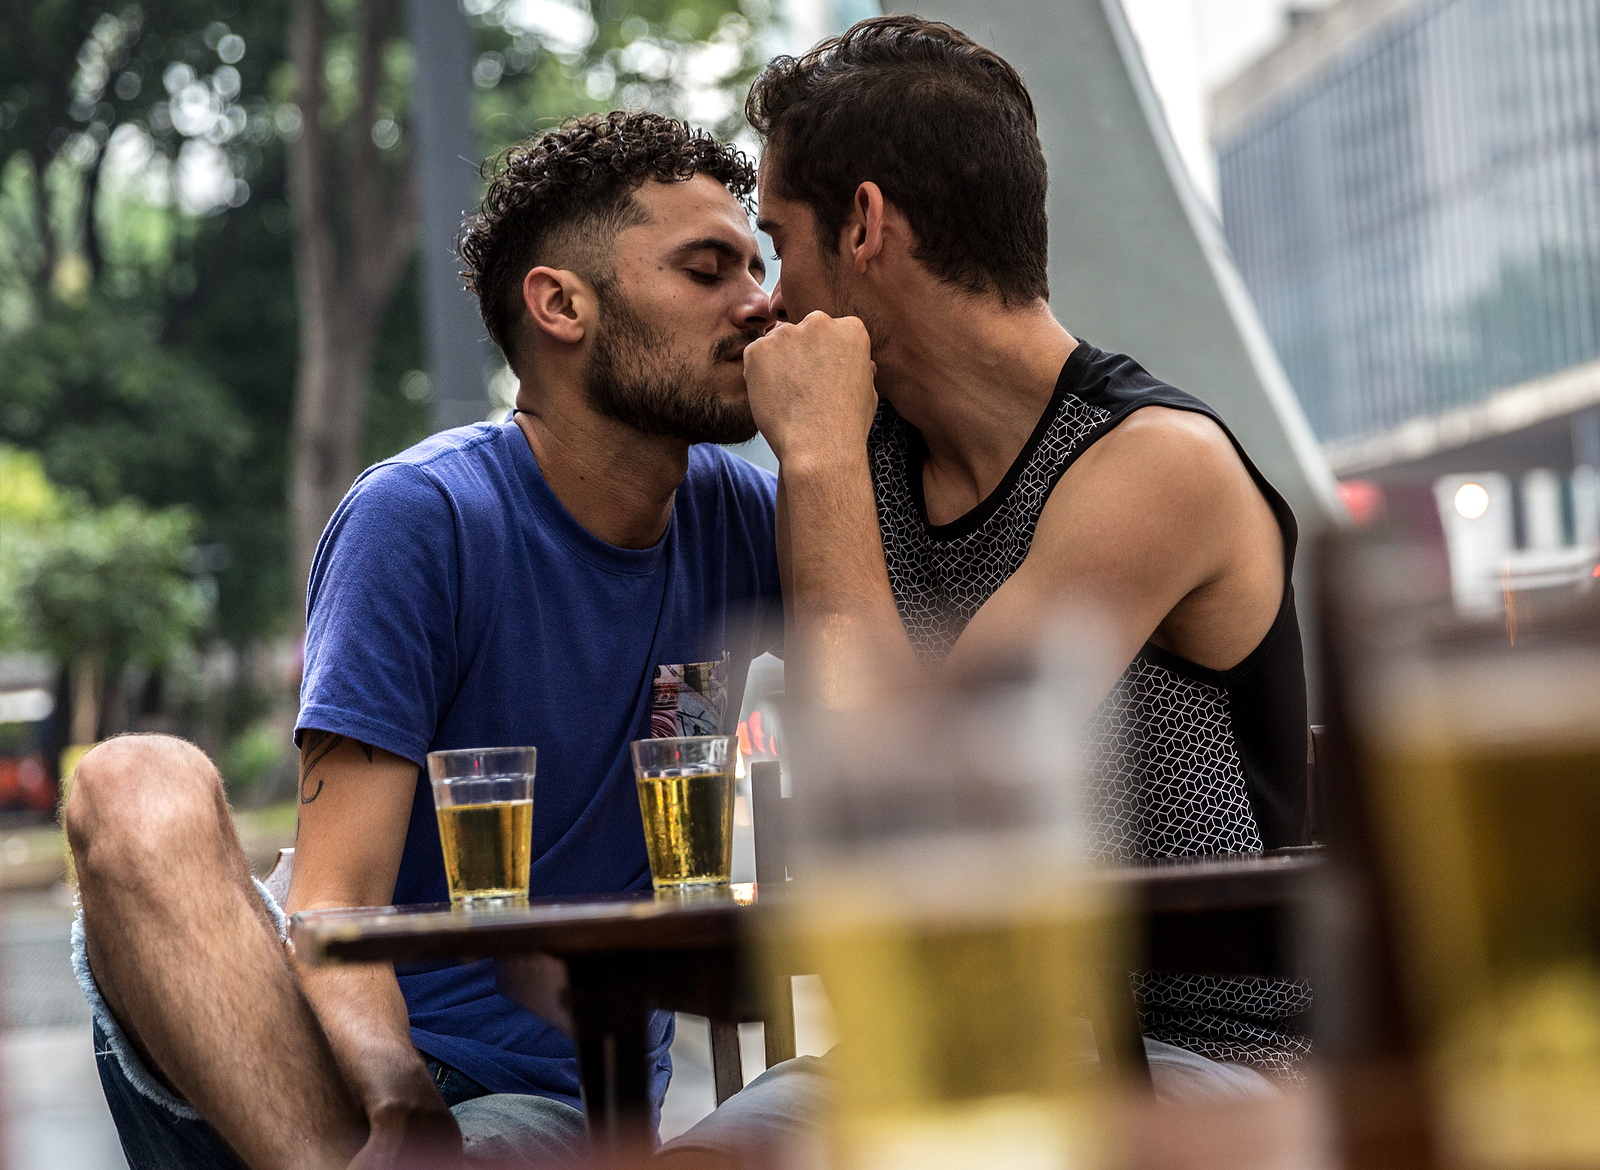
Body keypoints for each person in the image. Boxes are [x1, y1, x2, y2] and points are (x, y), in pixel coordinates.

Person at [65, 110, 785, 1169]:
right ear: (560, 305)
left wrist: (825, 452)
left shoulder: (747, 513)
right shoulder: (425, 514)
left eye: (758, 267)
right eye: (708, 269)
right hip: (316, 1050)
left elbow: (895, 724)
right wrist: (401, 1107)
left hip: (536, 1098)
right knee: (133, 778)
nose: (759, 303)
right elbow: (335, 901)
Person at [739, 16, 1311, 1081]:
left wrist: (814, 460)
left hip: (1212, 1063)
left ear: (865, 223)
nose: (770, 301)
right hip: (971, 1049)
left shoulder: (1155, 465)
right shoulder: (862, 453)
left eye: (778, 241)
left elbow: (919, 835)